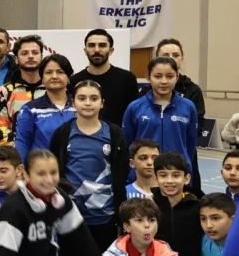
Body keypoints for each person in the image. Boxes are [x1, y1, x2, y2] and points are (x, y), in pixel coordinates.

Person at [49, 80, 129, 248]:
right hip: (71, 218)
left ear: (102, 103)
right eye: (82, 98)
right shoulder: (62, 134)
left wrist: (120, 216)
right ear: (73, 102)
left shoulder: (114, 134)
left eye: (93, 98)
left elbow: (122, 174)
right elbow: (54, 173)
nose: (87, 103)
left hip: (105, 217)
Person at [124, 57, 199, 186]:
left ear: (177, 76)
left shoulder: (188, 107)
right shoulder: (135, 107)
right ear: (148, 77)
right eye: (157, 76)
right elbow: (128, 144)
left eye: (170, 76)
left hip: (176, 178)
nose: (164, 81)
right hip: (143, 178)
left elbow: (190, 145)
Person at [149, 152, 203, 256]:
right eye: (163, 175)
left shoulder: (197, 208)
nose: (169, 181)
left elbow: (207, 239)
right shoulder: (149, 207)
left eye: (176, 175)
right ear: (155, 178)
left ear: (187, 178)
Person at [73, 29, 140, 127]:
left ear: (111, 50)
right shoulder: (74, 81)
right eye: (91, 45)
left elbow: (134, 114)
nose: (96, 50)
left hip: (119, 136)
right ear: (85, 50)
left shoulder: (127, 79)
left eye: (102, 45)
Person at [0, 34, 45, 147]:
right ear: (16, 59)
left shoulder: (52, 89)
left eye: (35, 53)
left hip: (49, 153)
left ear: (42, 57)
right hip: (16, 153)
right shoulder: (4, 92)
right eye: (25, 53)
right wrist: (20, 148)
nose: (30, 56)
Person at [14, 54, 75, 156]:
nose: (54, 76)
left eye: (60, 72)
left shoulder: (80, 106)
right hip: (42, 165)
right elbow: (22, 144)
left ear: (69, 77)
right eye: (48, 72)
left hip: (76, 165)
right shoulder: (30, 109)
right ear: (42, 78)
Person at [155, 39, 206, 138]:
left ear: (182, 59)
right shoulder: (146, 91)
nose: (171, 59)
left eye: (176, 55)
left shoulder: (193, 89)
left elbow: (197, 124)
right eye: (165, 55)